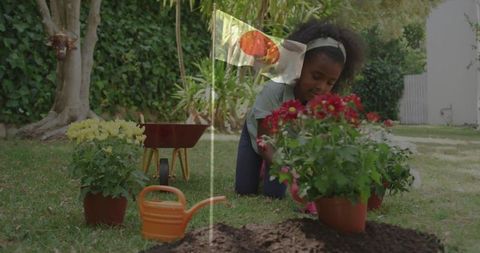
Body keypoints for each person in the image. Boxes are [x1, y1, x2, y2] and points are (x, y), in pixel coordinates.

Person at [234, 19, 365, 207]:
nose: (321, 87)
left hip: (287, 150)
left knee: (274, 196)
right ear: (299, 65)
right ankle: (262, 168)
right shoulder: (274, 90)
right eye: (316, 77)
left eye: (330, 82)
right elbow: (264, 142)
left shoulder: (324, 106)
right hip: (260, 139)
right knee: (244, 191)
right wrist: (290, 173)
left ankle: (269, 171)